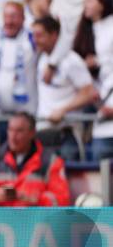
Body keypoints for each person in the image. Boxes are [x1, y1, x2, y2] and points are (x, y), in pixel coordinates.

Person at [32, 15, 98, 161]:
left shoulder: (71, 60)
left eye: (40, 35)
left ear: (54, 35)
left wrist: (63, 110)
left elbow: (89, 92)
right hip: (43, 129)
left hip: (66, 132)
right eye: (34, 36)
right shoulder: (42, 58)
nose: (35, 40)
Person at [0, 111, 70, 207]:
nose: (13, 136)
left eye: (19, 131)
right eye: (10, 130)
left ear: (32, 133)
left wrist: (33, 199)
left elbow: (62, 200)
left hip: (35, 219)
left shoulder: (52, 161)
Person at [81, 0, 113, 159]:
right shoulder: (85, 30)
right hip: (99, 116)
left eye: (90, 0)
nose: (85, 4)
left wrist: (100, 61)